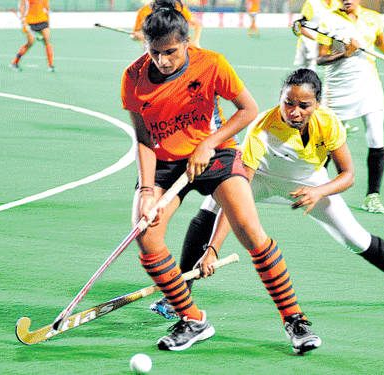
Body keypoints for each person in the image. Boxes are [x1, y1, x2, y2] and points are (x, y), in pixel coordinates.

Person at [150, 69, 384, 323]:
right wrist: (213, 249)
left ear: (318, 103)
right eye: (287, 103)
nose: (294, 111)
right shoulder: (262, 129)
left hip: (309, 184)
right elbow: (239, 190)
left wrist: (319, 191)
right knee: (210, 208)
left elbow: (348, 176)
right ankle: (179, 296)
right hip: (259, 180)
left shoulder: (329, 123)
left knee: (356, 239)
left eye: (304, 105)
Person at [121, 2, 321, 354]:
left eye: (170, 52)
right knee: (147, 239)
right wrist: (148, 190)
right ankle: (193, 319)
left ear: (187, 41)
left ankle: (294, 320)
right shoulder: (133, 77)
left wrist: (208, 144)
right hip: (165, 164)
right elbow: (143, 139)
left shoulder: (211, 63)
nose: (162, 61)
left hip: (215, 154)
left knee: (250, 231)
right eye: (155, 52)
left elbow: (249, 109)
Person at [316, 0, 384, 213]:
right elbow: (321, 58)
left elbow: (381, 42)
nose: (347, 1)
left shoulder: (373, 18)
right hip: (337, 88)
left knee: (376, 137)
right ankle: (316, 187)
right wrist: (345, 53)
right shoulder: (328, 20)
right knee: (327, 141)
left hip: (368, 84)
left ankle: (373, 196)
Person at [132, 0, 202, 49]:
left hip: (175, 48)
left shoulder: (178, 7)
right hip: (152, 50)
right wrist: (137, 36)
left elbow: (197, 24)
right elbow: (136, 33)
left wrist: (195, 41)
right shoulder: (143, 12)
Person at [293, 0, 340, 71]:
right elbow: (300, 26)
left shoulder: (338, 3)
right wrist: (315, 39)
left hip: (328, 44)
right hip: (309, 45)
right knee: (307, 74)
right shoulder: (312, 3)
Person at [10, 0, 55, 72]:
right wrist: (23, 18)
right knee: (30, 42)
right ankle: (15, 62)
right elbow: (22, 5)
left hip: (43, 19)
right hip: (30, 21)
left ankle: (51, 65)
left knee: (47, 39)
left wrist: (48, 16)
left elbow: (47, 6)